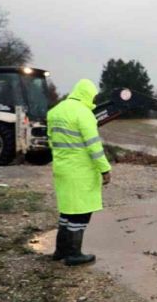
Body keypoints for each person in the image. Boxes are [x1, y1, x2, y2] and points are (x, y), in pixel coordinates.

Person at [47, 79, 111, 266]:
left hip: (62, 168)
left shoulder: (55, 112)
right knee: (80, 213)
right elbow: (94, 146)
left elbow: (51, 141)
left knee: (67, 211)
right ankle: (74, 254)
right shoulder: (84, 114)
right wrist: (105, 168)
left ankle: (60, 250)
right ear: (87, 94)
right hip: (80, 170)